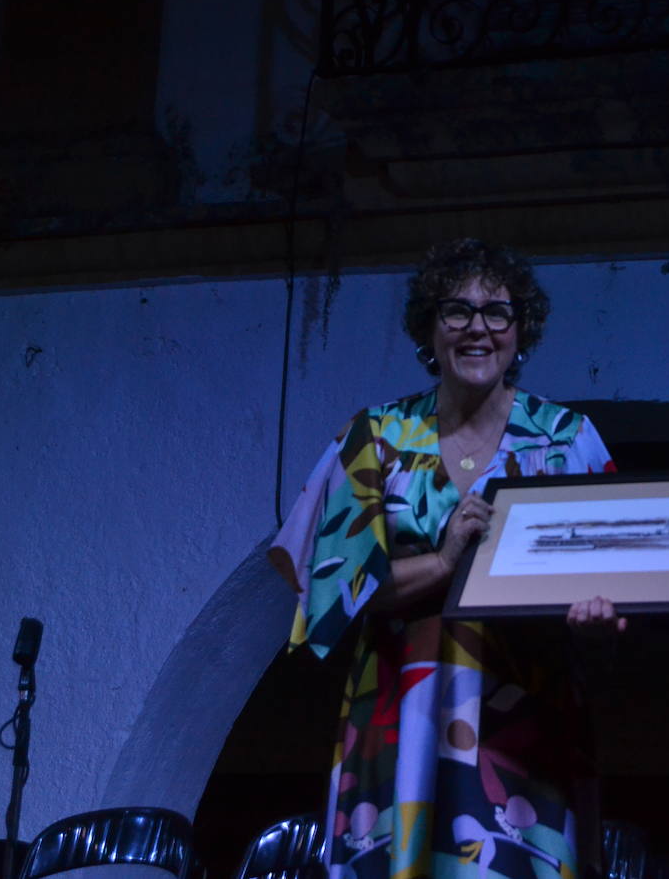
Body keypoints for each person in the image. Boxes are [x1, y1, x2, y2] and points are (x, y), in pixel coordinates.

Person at [269, 238, 615, 879]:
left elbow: (612, 584)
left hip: (526, 729)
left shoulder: (568, 440)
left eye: (497, 313)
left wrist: (599, 620)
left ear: (521, 331)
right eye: (456, 311)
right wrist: (447, 557)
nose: (477, 327)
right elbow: (331, 598)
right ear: (430, 329)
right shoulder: (374, 439)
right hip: (401, 720)